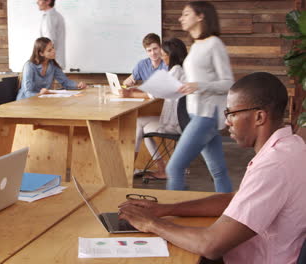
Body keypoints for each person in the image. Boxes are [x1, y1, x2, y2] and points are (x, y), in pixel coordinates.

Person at [118, 72, 306, 264]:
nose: (227, 122)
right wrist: (165, 209)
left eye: (231, 114)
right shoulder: (292, 145)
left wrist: (151, 223)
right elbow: (236, 200)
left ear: (259, 117)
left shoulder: (273, 166)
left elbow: (211, 246)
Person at [166, 1, 233, 192]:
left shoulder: (214, 44)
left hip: (206, 115)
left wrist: (199, 86)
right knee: (218, 171)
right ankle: (229, 212)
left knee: (174, 167)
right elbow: (196, 79)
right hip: (196, 114)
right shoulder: (196, 45)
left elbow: (228, 83)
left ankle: (172, 214)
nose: (181, 18)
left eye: (186, 14)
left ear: (200, 16)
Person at [120, 38, 187, 179]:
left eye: (163, 55)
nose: (161, 57)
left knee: (139, 124)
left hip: (175, 123)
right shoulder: (179, 69)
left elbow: (156, 92)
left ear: (171, 55)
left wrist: (132, 93)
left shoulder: (176, 70)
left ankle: (128, 170)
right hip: (176, 120)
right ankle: (161, 169)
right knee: (141, 127)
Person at [16, 37, 86, 100]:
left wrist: (77, 85)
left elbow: (65, 82)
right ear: (41, 53)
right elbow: (27, 93)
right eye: (49, 50)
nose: (54, 51)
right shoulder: (29, 66)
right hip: (25, 102)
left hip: (42, 100)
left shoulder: (52, 65)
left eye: (53, 48)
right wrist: (40, 94)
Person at [37, 0, 66, 68]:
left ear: (48, 1)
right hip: (53, 62)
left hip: (51, 63)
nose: (37, 2)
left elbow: (49, 42)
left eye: (39, 0)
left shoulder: (50, 17)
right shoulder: (52, 15)